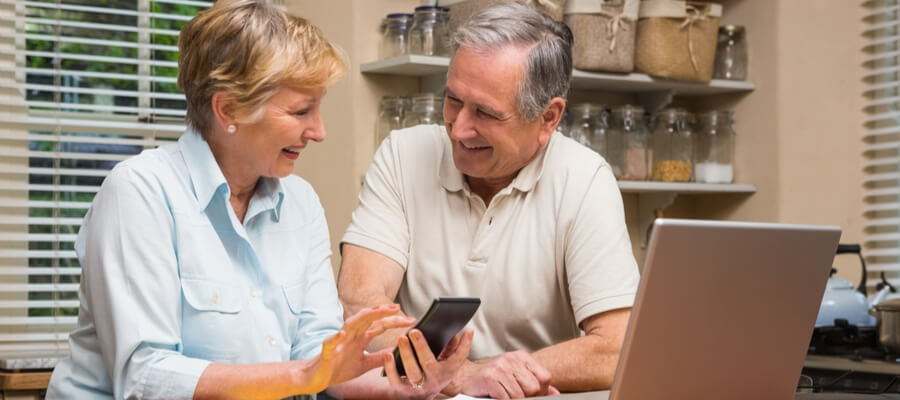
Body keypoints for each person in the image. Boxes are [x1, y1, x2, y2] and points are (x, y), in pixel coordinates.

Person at [45, 1, 471, 399]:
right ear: (228, 110)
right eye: (301, 111)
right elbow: (144, 376)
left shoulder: (301, 204)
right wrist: (305, 375)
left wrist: (411, 386)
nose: (319, 131)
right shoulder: (139, 193)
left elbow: (320, 361)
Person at [338, 3, 640, 398]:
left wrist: (487, 374)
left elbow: (615, 349)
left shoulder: (584, 179)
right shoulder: (402, 154)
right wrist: (458, 378)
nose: (459, 128)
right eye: (452, 100)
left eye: (485, 113)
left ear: (548, 118)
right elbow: (360, 302)